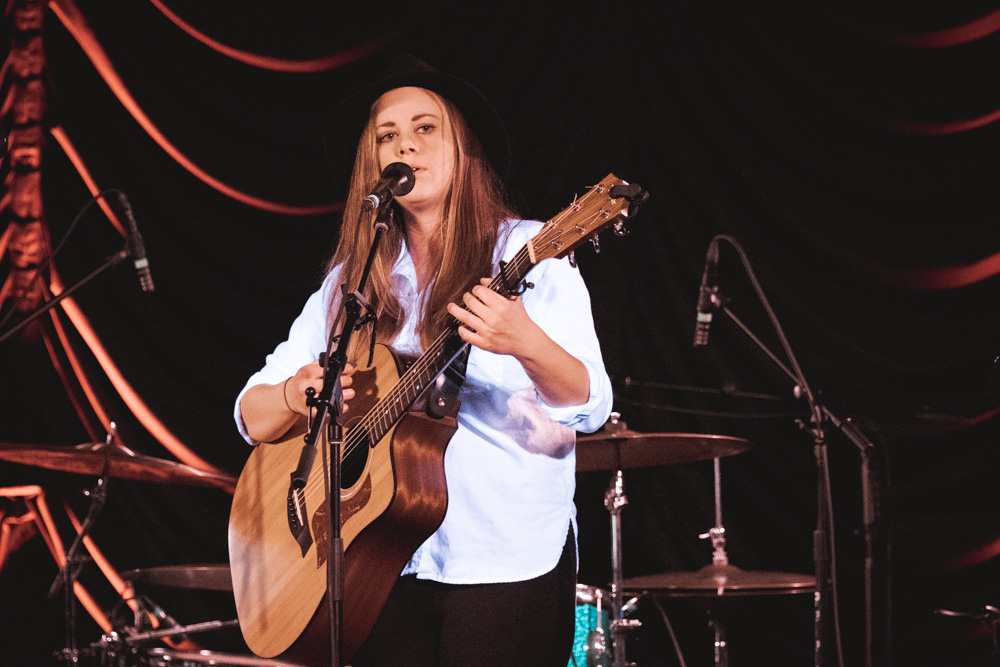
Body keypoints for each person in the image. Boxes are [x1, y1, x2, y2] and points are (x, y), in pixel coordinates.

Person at [234, 54, 613, 666]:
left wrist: (526, 342)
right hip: (376, 562)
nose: (404, 145)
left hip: (502, 555)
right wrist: (293, 395)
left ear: (464, 150)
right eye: (387, 136)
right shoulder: (349, 287)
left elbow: (591, 405)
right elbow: (251, 413)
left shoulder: (528, 251)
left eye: (425, 128)